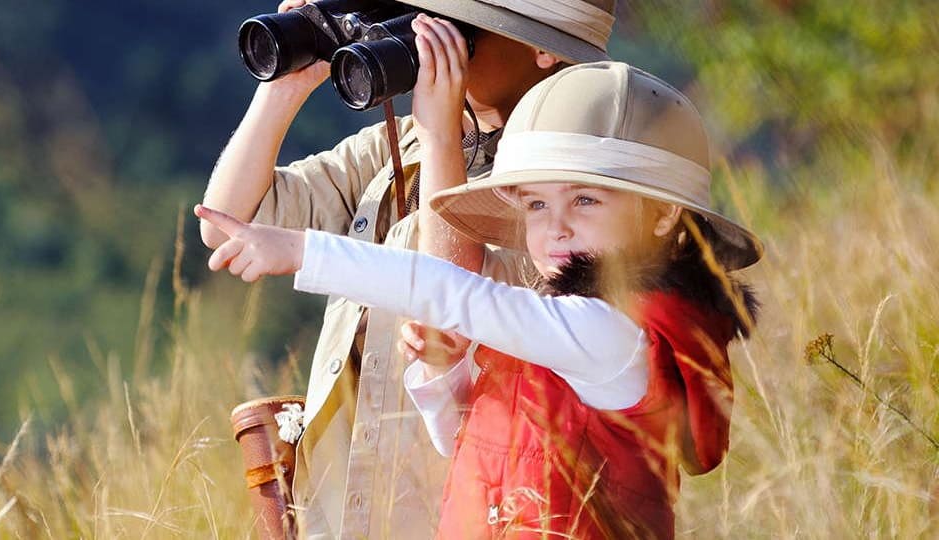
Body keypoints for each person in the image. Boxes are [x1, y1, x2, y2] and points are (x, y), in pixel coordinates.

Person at [196, 61, 763, 538]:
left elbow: (455, 293)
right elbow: (461, 442)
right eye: (535, 206)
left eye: (586, 201)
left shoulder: (614, 331)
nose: (555, 228)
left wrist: (301, 251)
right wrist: (443, 375)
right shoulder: (560, 325)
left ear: (663, 214)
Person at [201, 1, 618, 536]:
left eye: (462, 30)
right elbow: (228, 225)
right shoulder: (405, 145)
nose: (431, 37)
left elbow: (448, 300)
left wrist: (442, 133)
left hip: (453, 506)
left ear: (542, 48)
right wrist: (288, 81)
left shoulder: (565, 190)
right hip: (342, 498)